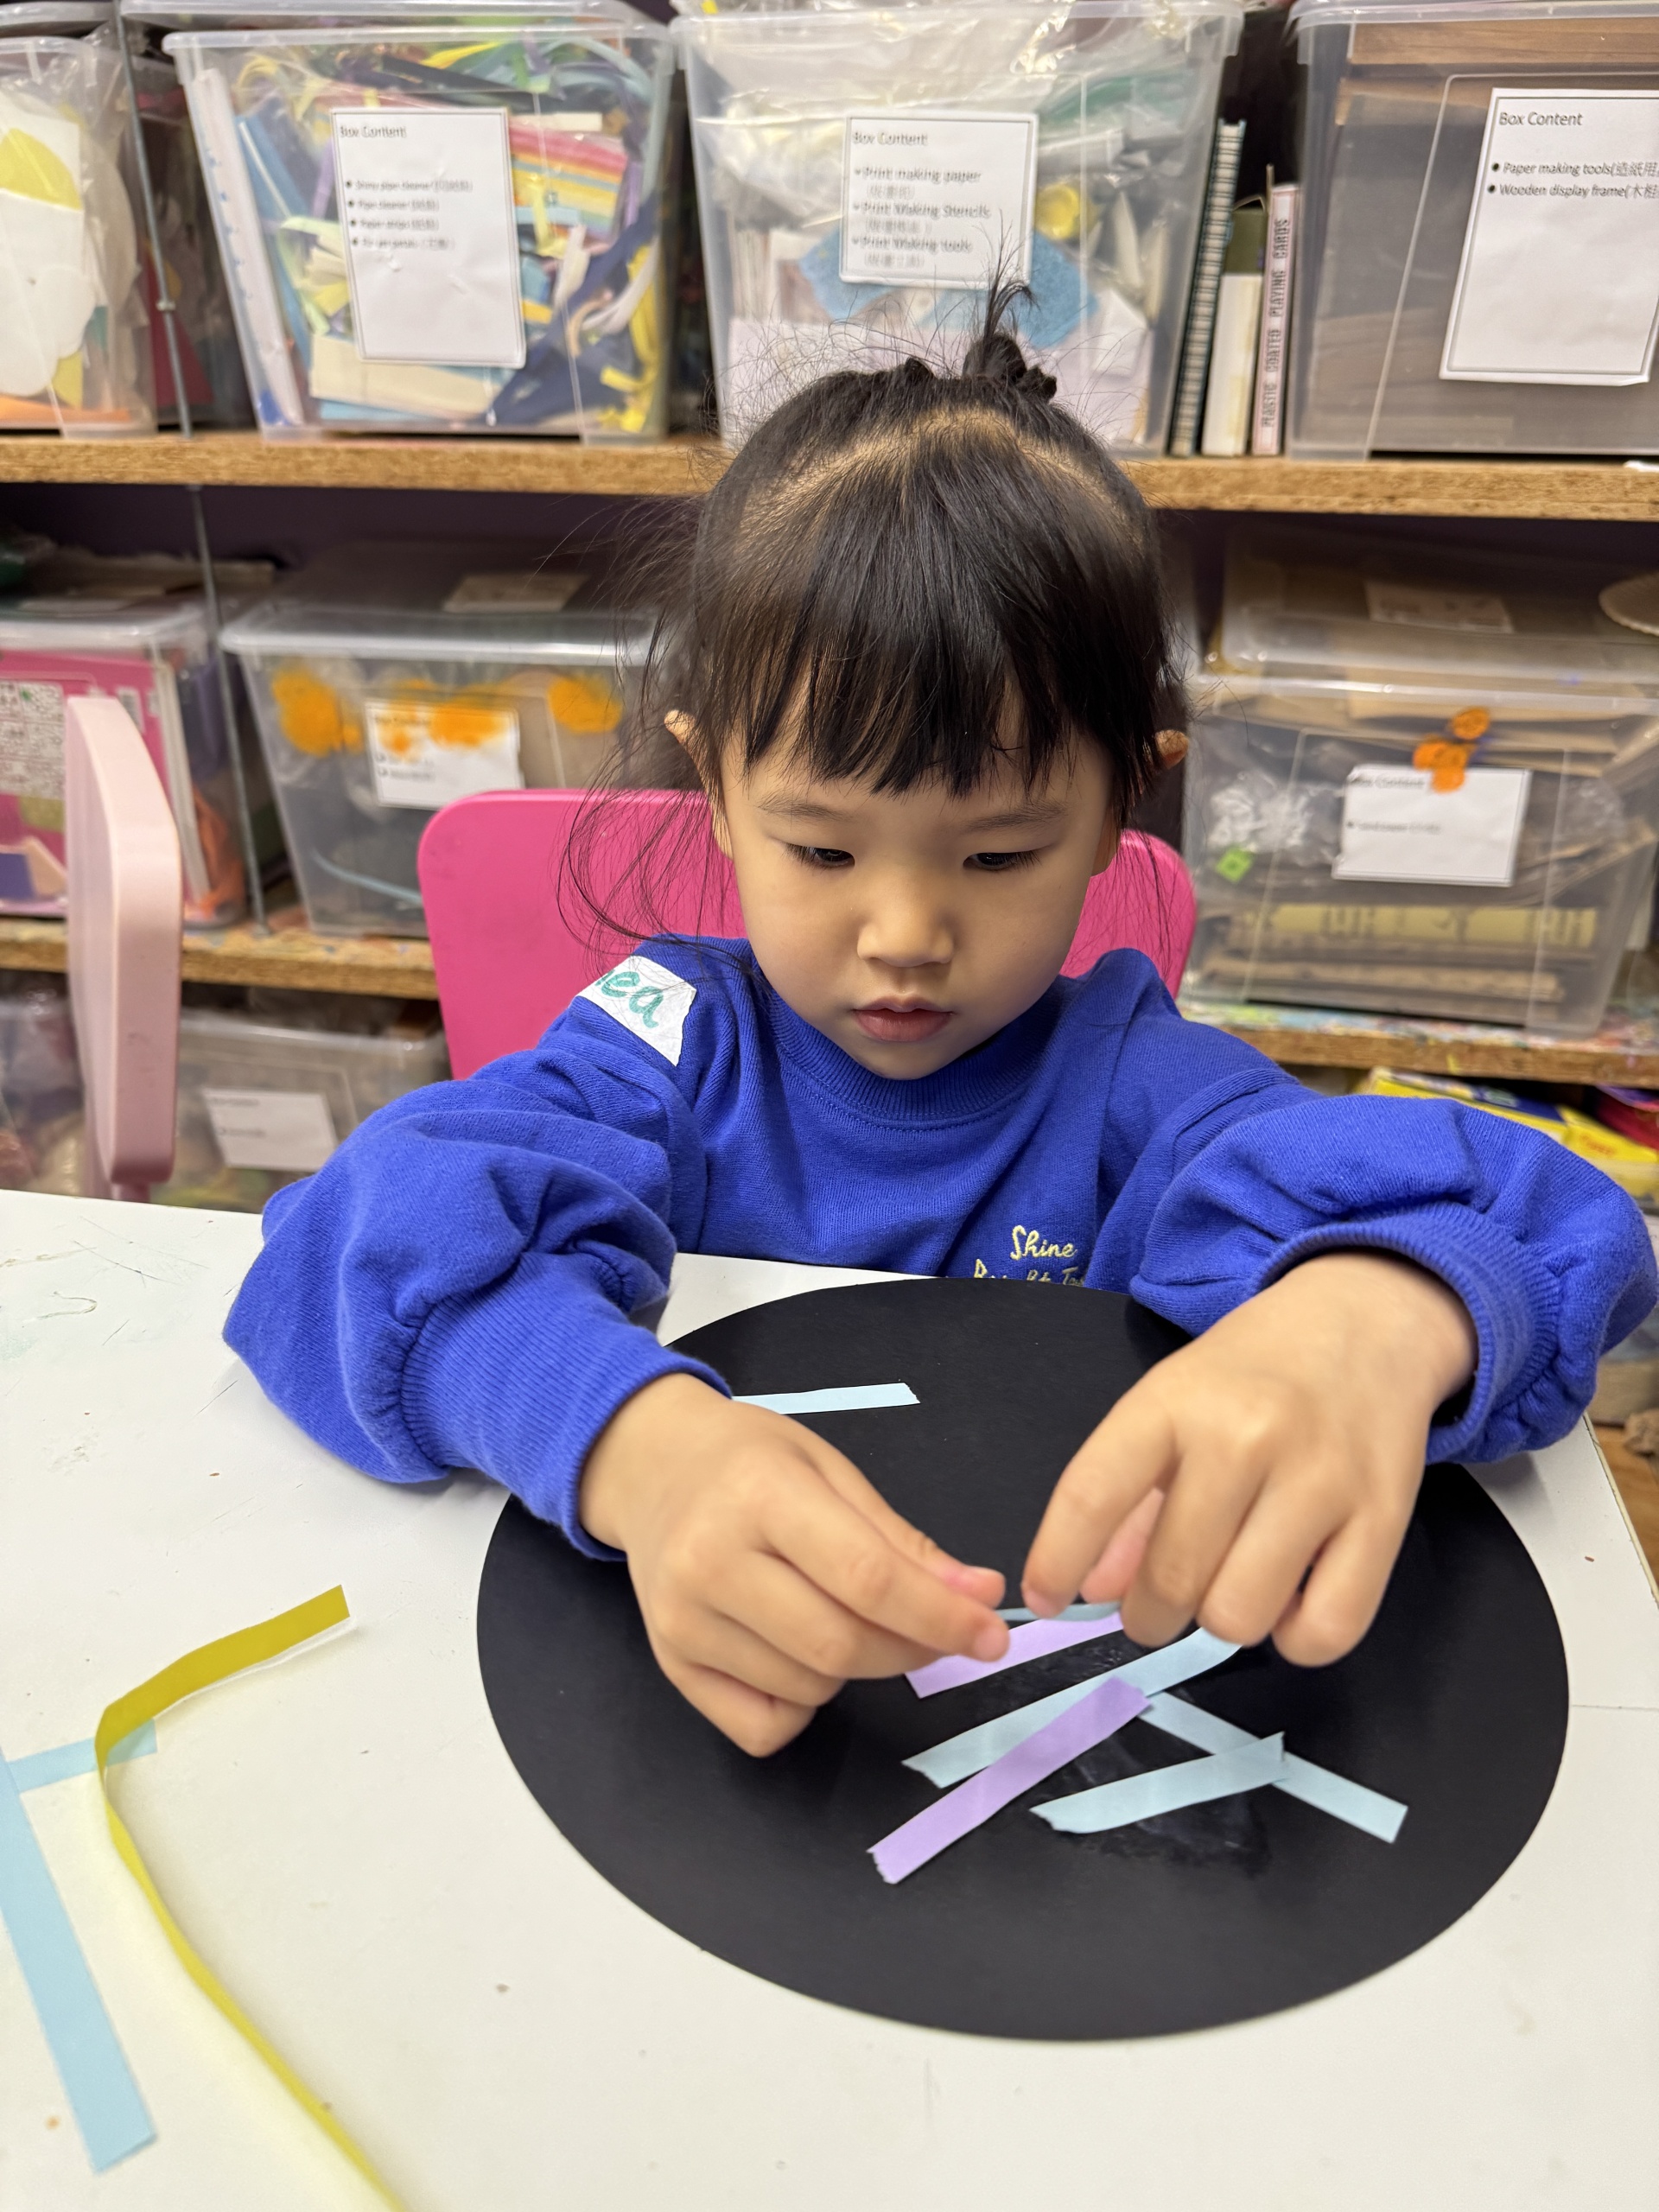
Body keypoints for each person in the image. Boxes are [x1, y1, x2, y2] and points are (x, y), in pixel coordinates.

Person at [227, 296, 1656, 1757]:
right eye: (822, 848)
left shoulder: (1137, 1085)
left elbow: (1546, 1226)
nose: (904, 932)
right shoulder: (669, 1039)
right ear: (712, 789)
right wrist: (623, 1442)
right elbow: (354, 1238)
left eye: (998, 853)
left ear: (1121, 805)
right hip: (690, 1721)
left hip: (1054, 1720)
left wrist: (1375, 1318)